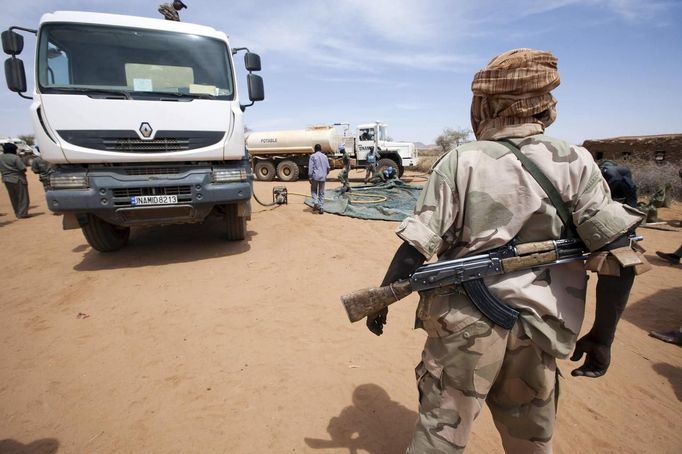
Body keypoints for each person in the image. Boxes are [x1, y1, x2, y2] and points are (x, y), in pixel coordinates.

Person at [366, 49, 648, 453]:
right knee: (530, 444)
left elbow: (414, 247)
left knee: (439, 440)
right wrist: (602, 337)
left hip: (463, 331)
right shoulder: (578, 163)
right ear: (545, 104)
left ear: (484, 104)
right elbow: (620, 257)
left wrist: (383, 298)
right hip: (541, 328)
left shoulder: (460, 161)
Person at [0, 142, 30, 218]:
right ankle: (22, 214)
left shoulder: (1, 157)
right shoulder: (15, 157)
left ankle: (17, 213)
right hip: (18, 179)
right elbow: (22, 168)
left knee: (13, 197)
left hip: (6, 179)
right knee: (23, 197)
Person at [308, 143, 330, 214]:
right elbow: (328, 168)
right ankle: (321, 207)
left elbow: (311, 168)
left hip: (315, 176)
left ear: (315, 149)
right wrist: (325, 174)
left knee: (313, 190)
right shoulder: (325, 156)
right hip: (323, 177)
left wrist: (310, 176)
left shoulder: (312, 156)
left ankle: (316, 203)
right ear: (321, 149)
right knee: (321, 192)